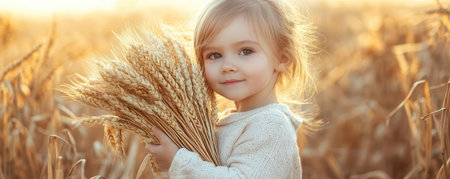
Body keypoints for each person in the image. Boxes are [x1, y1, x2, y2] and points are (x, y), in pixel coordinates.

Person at [146, 0, 316, 178]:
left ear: (282, 59)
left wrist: (178, 162)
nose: (227, 66)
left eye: (246, 51)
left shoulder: (271, 125)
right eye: (215, 55)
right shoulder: (229, 121)